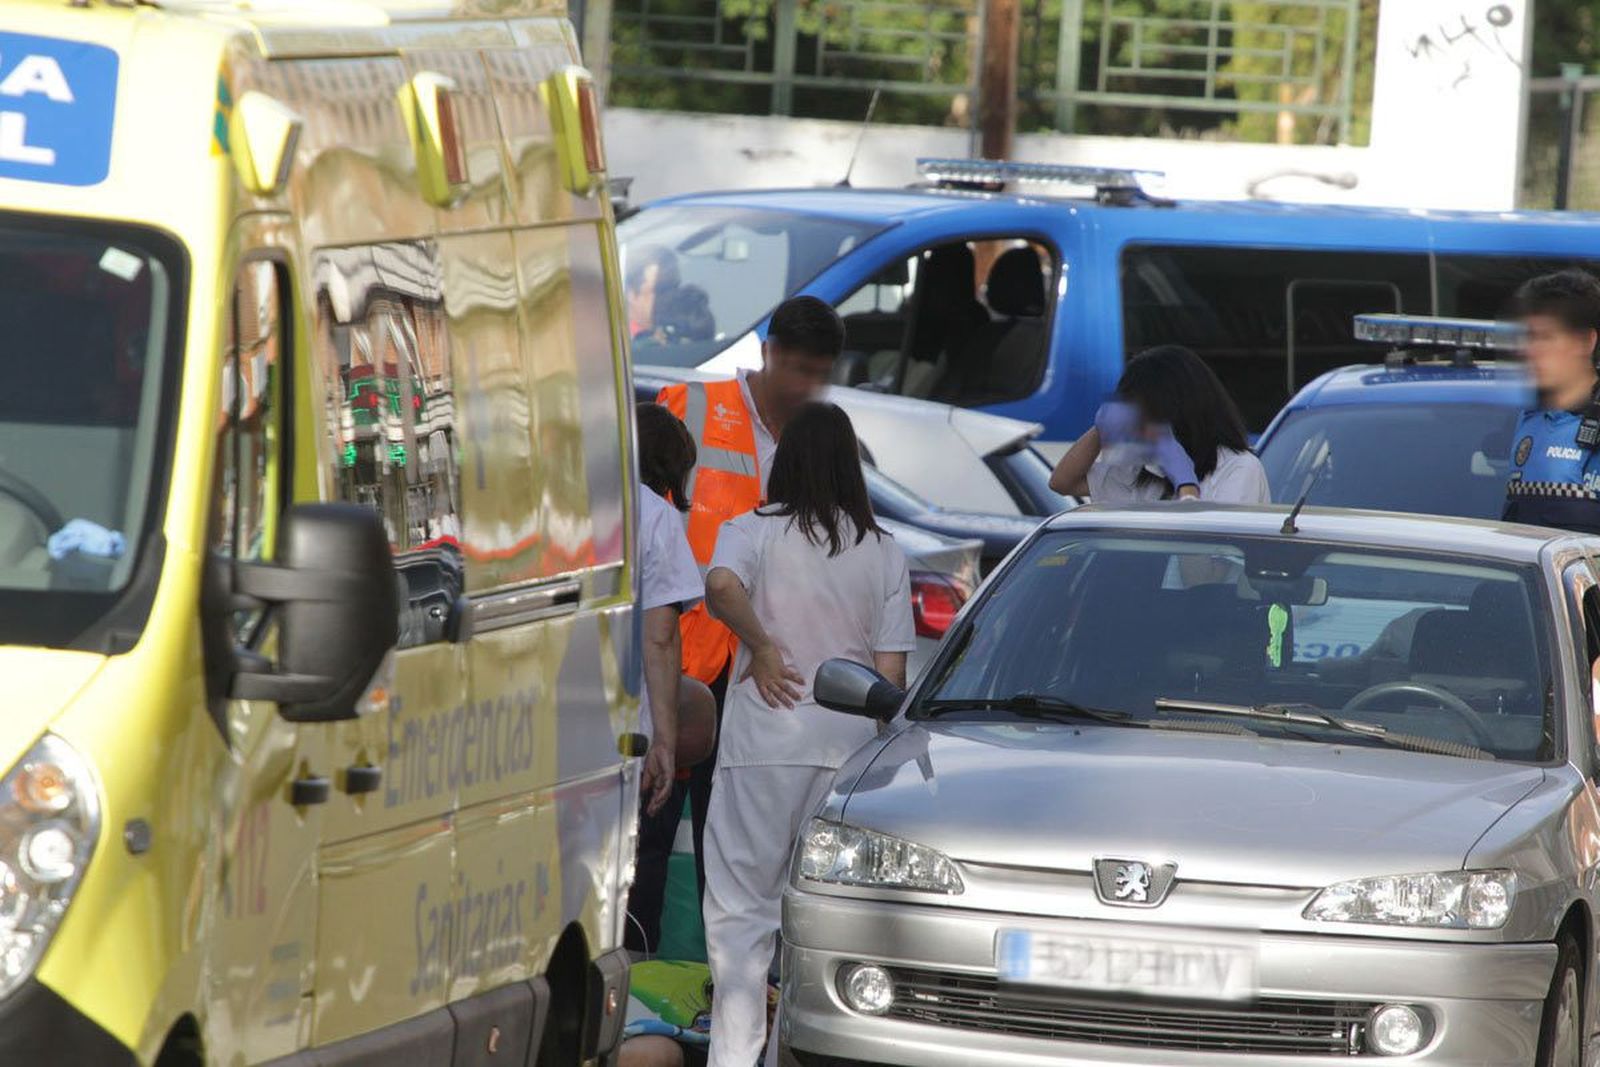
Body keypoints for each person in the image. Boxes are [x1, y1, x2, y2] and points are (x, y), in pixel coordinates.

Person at [699, 402, 915, 1067]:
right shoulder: (883, 550)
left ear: (783, 460)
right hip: (847, 760)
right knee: (818, 921)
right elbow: (889, 678)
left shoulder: (753, 529)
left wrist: (760, 646)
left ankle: (733, 1058)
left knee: (741, 918)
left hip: (761, 751)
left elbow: (720, 585)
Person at [656, 296, 845, 899]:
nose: (808, 386)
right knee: (651, 822)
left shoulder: (819, 439)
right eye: (798, 370)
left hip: (757, 667)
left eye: (821, 374)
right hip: (677, 650)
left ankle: (723, 973)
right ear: (767, 354)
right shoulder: (692, 406)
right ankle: (643, 962)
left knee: (735, 832)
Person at [627, 402, 711, 956]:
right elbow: (661, 638)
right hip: (624, 735)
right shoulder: (655, 519)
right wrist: (664, 739)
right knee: (635, 868)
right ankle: (633, 989)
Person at [1049, 344, 1270, 504]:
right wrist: (1102, 427)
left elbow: (1203, 565)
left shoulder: (1237, 468)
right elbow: (1062, 482)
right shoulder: (1142, 470)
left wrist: (1185, 484)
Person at [1503, 269, 1600, 535]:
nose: (1531, 351)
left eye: (1546, 337)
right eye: (1529, 337)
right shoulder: (1525, 417)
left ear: (1586, 341)